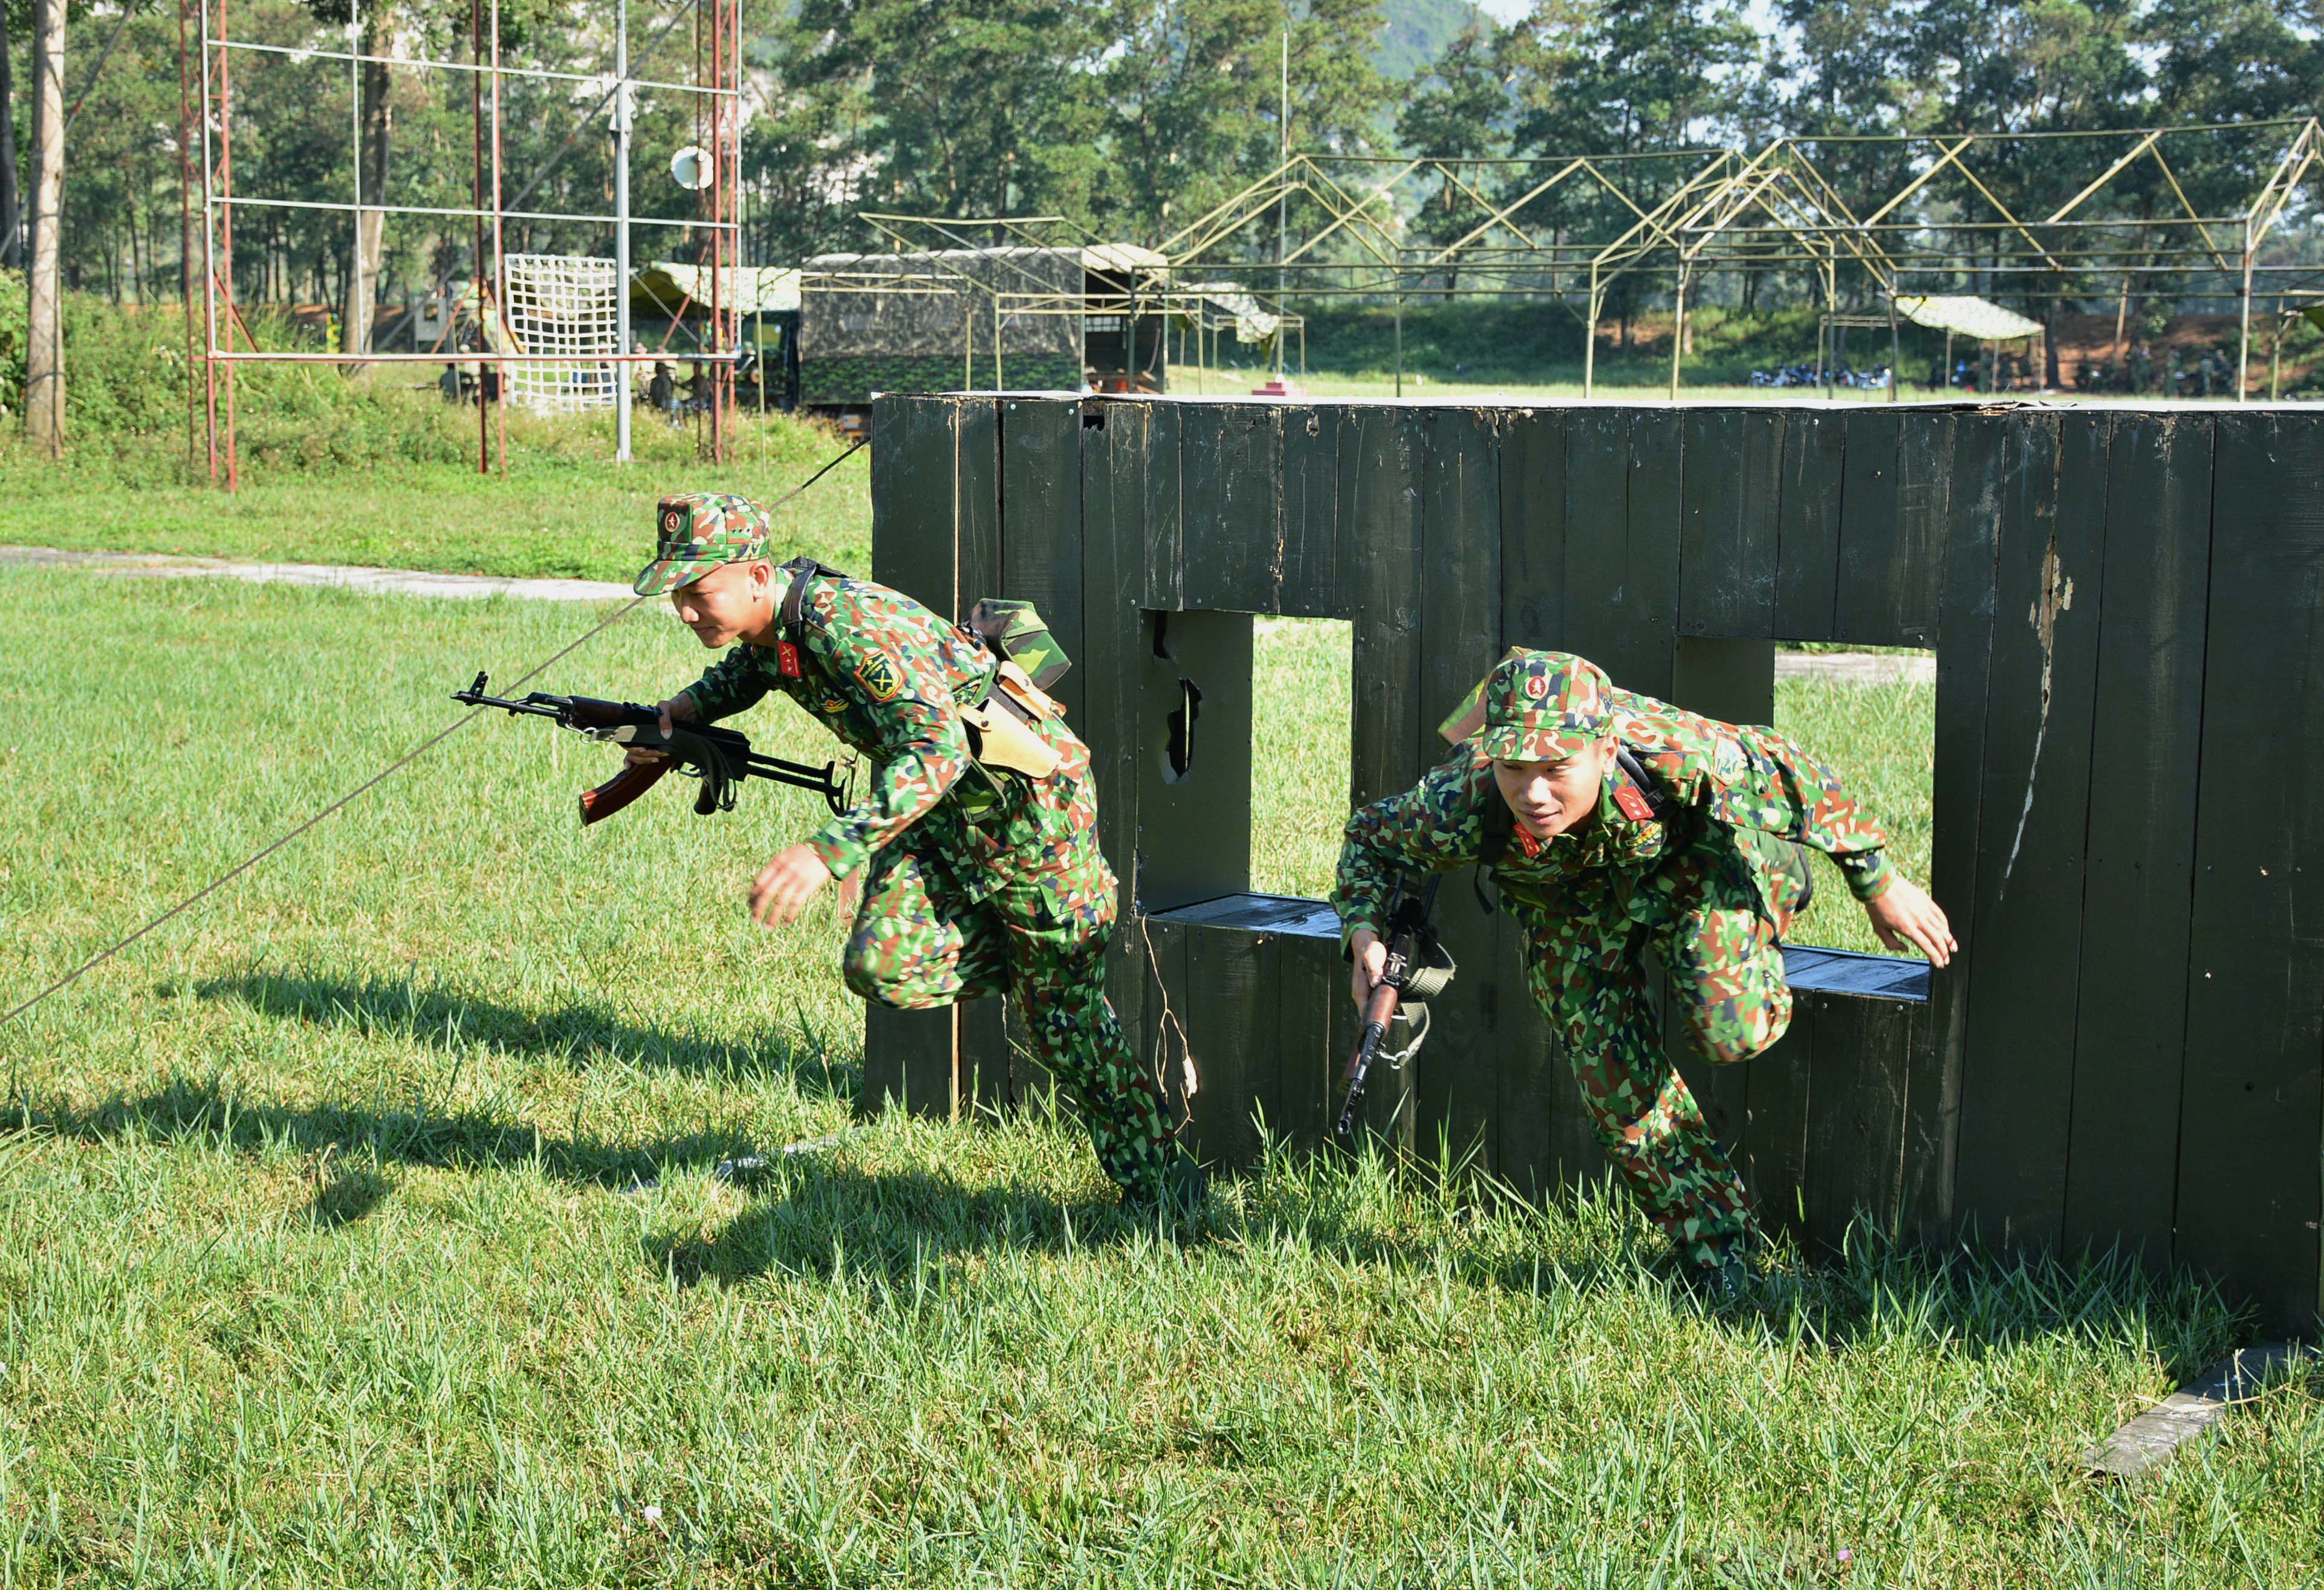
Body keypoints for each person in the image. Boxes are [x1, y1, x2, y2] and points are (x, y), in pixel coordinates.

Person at [623, 493, 1189, 1212]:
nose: (685, 611)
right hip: (940, 816)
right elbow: (753, 669)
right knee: (879, 965)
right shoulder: (781, 626)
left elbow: (937, 750)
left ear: (758, 575)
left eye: (698, 592)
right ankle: (1038, 967)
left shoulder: (848, 629)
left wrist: (829, 850)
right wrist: (681, 712)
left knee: (1064, 1030)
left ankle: (1165, 1190)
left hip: (1028, 818)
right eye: (676, 595)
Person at [1333, 651, 1956, 1293]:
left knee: (1734, 1029)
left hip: (1686, 863)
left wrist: (1877, 883)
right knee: (1614, 1082)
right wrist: (1363, 932)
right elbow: (1369, 840)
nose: (1533, 792)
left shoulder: (1670, 752)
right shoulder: (1459, 799)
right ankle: (1719, 1255)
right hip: (1566, 901)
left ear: (1605, 752)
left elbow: (1789, 769)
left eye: (1556, 767)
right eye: (1514, 767)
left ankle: (1771, 868)